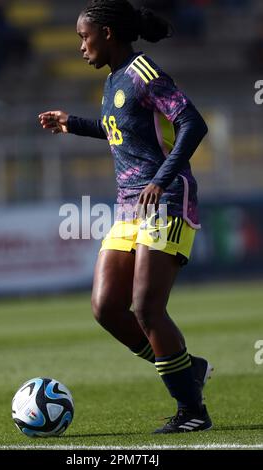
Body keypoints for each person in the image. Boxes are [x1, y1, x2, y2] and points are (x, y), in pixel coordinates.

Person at [39, 0, 213, 434]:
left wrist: (162, 177)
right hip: (128, 206)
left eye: (84, 36)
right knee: (106, 307)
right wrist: (74, 123)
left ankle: (192, 411)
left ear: (108, 34)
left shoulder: (144, 73)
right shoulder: (114, 80)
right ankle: (188, 368)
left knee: (147, 308)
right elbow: (119, 130)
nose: (81, 46)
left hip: (167, 198)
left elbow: (193, 122)